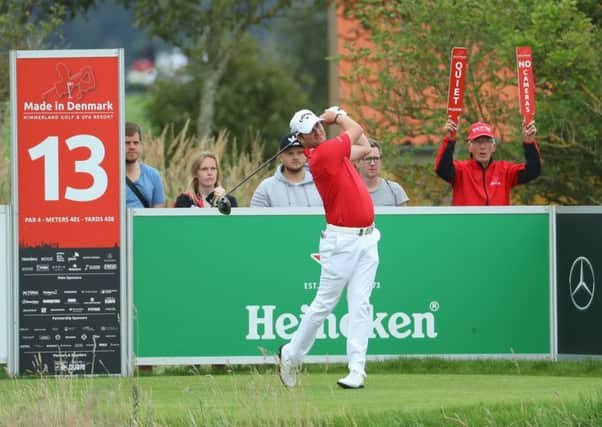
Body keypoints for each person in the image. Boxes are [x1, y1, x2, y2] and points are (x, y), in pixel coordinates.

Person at [278, 106, 380, 390]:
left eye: (317, 125)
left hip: (368, 239)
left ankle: (357, 370)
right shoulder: (323, 155)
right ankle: (291, 355)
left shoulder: (333, 151)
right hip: (342, 242)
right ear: (301, 138)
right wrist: (337, 115)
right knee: (324, 305)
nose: (317, 131)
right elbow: (356, 131)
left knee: (361, 305)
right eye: (310, 130)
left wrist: (337, 119)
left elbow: (366, 145)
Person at [435, 119, 541, 205]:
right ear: (470, 147)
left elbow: (533, 171)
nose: (483, 147)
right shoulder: (461, 170)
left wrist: (529, 143)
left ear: (494, 147)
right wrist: (449, 139)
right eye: (478, 142)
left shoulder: (504, 170)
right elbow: (442, 169)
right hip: (466, 228)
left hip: (496, 228)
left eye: (487, 141)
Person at [250, 133, 323, 207]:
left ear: (307, 154)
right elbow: (254, 217)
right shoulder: (266, 187)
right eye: (290, 153)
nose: (295, 157)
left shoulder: (322, 184)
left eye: (300, 152)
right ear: (280, 157)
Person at [125, 122, 166, 208]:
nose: (132, 147)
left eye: (136, 143)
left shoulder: (153, 175)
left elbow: (157, 213)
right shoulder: (108, 176)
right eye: (127, 143)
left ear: (141, 145)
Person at [357, 140, 409, 206]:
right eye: (368, 159)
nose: (372, 163)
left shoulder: (395, 191)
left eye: (376, 158)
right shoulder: (348, 192)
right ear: (358, 162)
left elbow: (405, 216)